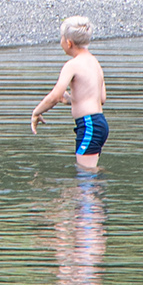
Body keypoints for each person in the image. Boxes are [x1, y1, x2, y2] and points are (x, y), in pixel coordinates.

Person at [31, 15, 107, 172]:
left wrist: (36, 112)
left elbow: (55, 96)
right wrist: (71, 99)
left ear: (68, 42)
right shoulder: (94, 62)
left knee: (85, 176)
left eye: (61, 38)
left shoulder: (72, 65)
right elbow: (101, 98)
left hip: (89, 125)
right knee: (90, 172)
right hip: (99, 123)